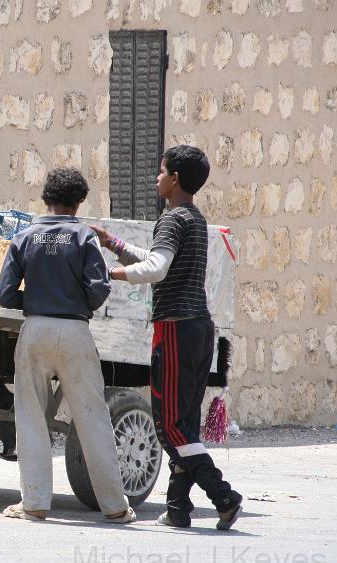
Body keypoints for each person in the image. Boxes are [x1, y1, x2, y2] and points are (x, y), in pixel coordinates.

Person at [90, 145, 243, 530]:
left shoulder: (173, 219)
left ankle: (223, 496)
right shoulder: (192, 218)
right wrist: (115, 244)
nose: (157, 178)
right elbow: (157, 256)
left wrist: (109, 274)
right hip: (199, 329)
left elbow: (156, 268)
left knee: (171, 428)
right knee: (185, 425)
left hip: (175, 330)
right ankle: (177, 509)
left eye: (161, 171)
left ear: (174, 179)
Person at [0, 167, 135, 524]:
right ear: (80, 201)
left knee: (30, 416)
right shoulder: (85, 238)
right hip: (75, 331)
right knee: (92, 418)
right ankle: (115, 506)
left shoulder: (24, 237)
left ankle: (35, 503)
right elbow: (100, 287)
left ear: (46, 198)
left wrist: (33, 300)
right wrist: (79, 303)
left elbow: (3, 294)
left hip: (36, 330)